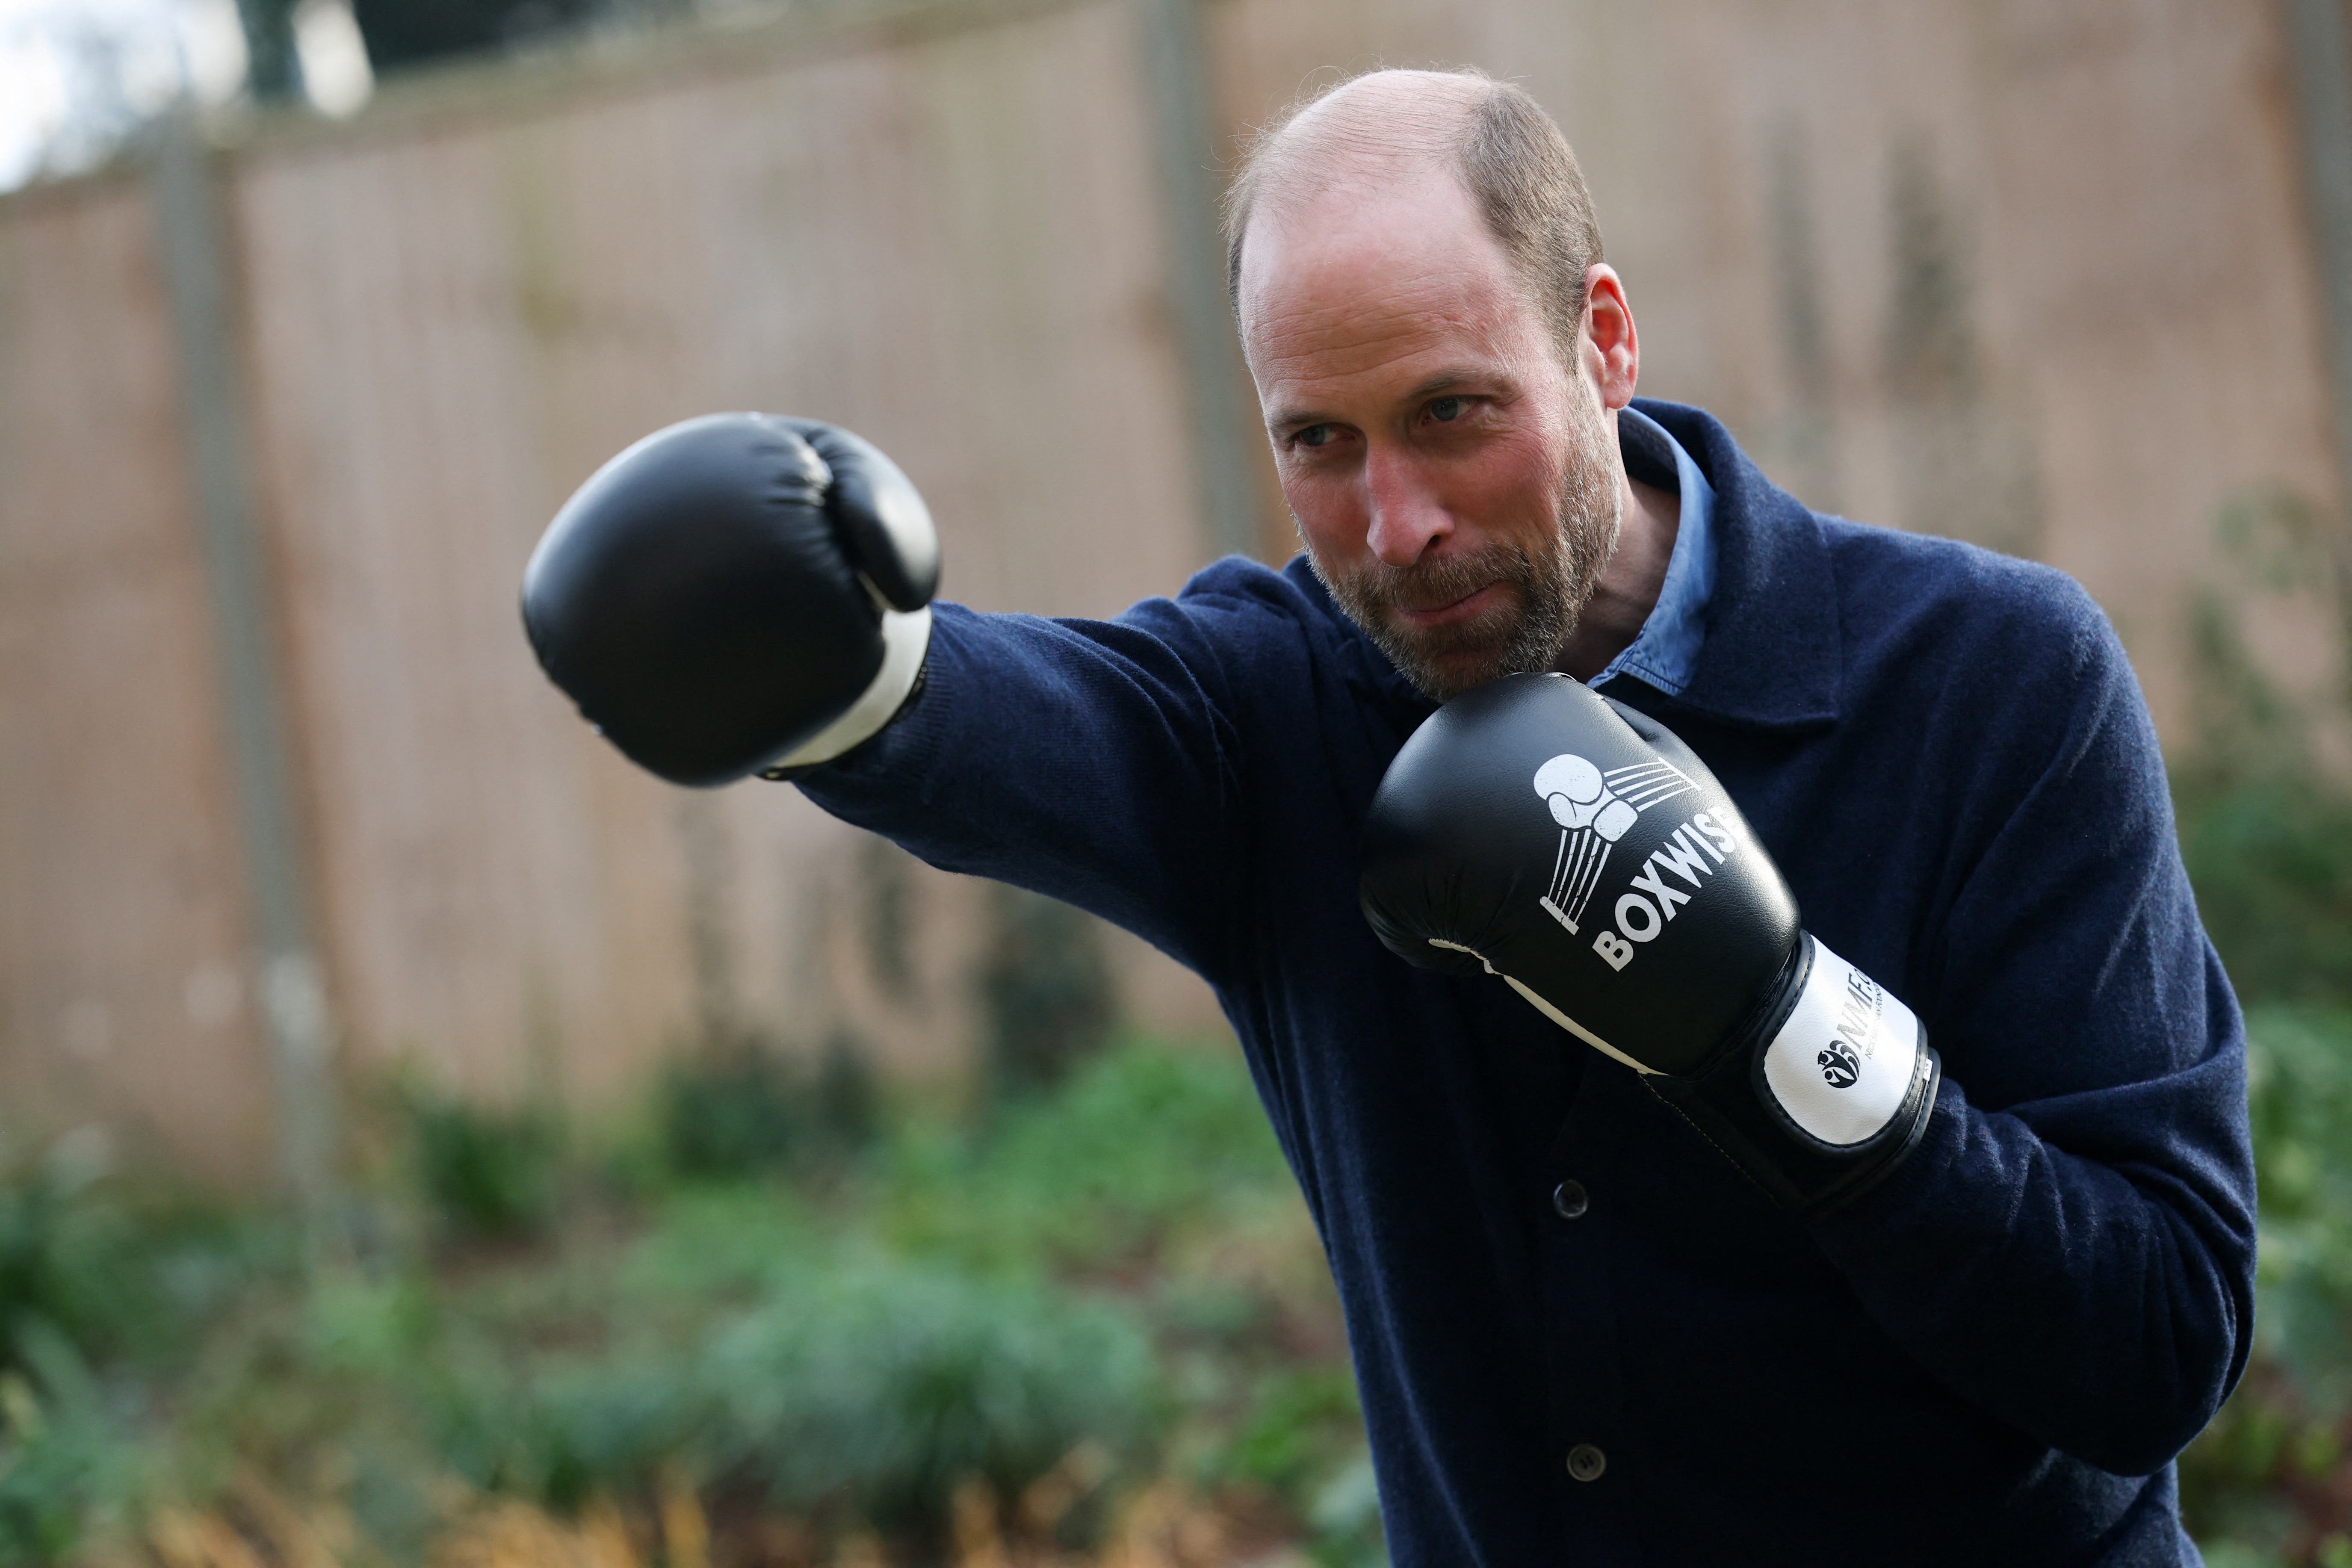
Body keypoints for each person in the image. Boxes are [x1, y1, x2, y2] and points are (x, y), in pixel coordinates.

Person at [521, 67, 2257, 1565]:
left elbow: (2154, 1342)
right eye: (1319, 443)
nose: (1396, 522)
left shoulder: (1986, 682)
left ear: (1602, 339)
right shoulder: (1277, 711)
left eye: (1450, 413)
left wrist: (1787, 1041)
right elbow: (1034, 727)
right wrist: (840, 673)